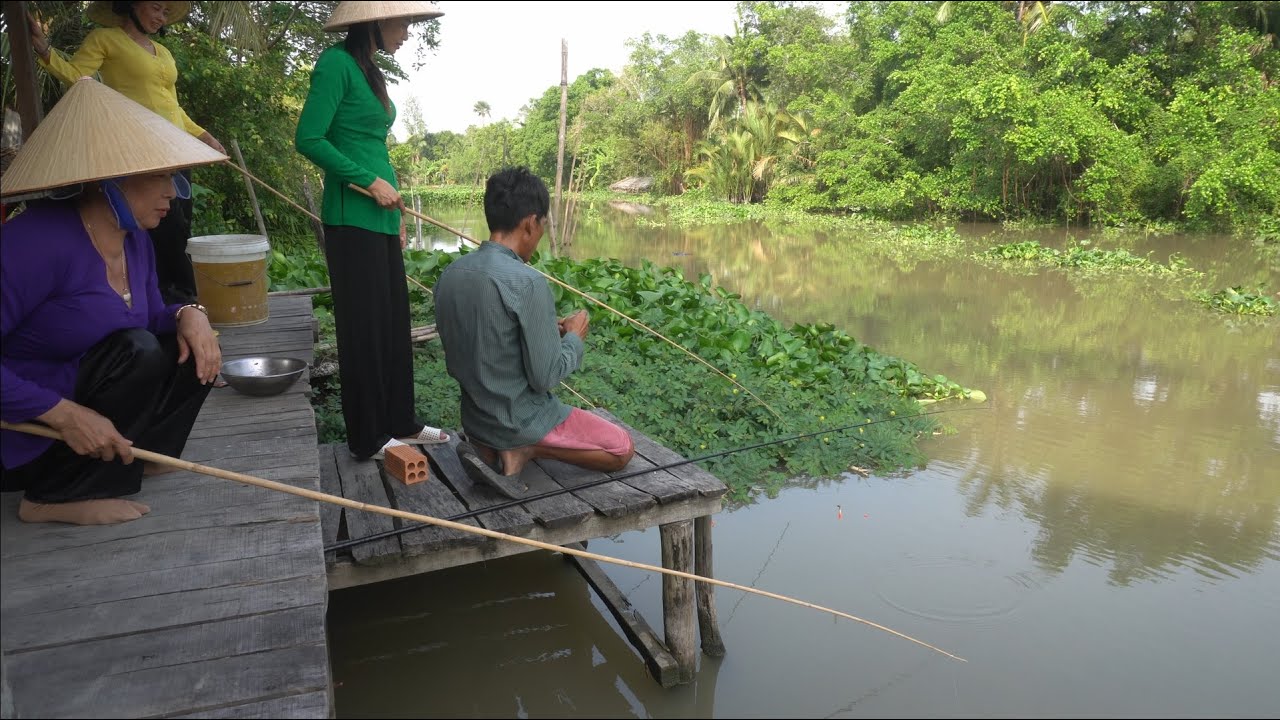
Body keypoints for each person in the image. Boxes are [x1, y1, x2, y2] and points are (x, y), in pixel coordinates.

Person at [0, 78, 225, 525]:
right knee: (138, 350)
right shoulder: (33, 243)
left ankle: (145, 456)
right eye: (161, 176)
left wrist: (190, 314)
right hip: (26, 430)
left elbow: (141, 314)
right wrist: (64, 416)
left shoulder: (136, 240)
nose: (174, 192)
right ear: (111, 181)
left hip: (82, 408)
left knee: (190, 347)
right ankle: (51, 497)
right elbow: (126, 340)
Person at [295, 1, 451, 461]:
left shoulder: (370, 72)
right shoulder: (335, 64)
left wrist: (395, 213)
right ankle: (368, 437)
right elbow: (309, 138)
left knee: (392, 325)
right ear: (375, 20)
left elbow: (373, 150)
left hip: (382, 219)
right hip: (350, 218)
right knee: (363, 330)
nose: (406, 32)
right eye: (403, 22)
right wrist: (365, 182)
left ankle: (400, 420)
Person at [434, 168, 636, 499]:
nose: (540, 234)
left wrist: (543, 329)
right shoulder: (527, 282)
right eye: (541, 225)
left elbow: (487, 339)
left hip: (476, 420)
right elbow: (545, 376)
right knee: (621, 448)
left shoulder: (451, 274)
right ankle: (524, 449)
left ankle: (491, 448)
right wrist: (573, 337)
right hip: (521, 419)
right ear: (530, 223)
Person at [29, 1, 226, 305]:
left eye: (165, 13)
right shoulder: (105, 38)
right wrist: (45, 53)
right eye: (156, 8)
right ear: (131, 6)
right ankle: (172, 301)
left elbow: (172, 106)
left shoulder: (164, 52)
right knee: (160, 227)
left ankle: (177, 301)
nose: (161, 17)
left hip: (177, 150)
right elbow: (78, 78)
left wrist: (205, 136)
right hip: (141, 151)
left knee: (180, 225)